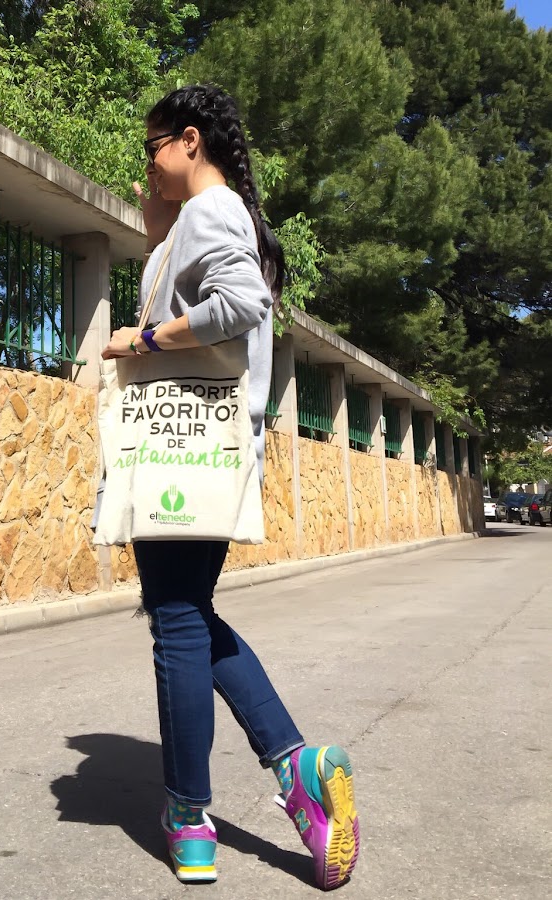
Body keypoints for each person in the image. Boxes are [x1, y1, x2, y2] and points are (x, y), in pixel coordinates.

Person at [100, 85, 361, 889]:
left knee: (176, 620)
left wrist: (143, 336)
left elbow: (242, 305)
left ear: (188, 140)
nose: (147, 163)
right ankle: (295, 767)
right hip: (199, 446)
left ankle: (191, 813)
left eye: (153, 148)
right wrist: (154, 224)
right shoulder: (200, 220)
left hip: (186, 447)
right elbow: (203, 288)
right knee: (188, 612)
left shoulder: (215, 214)